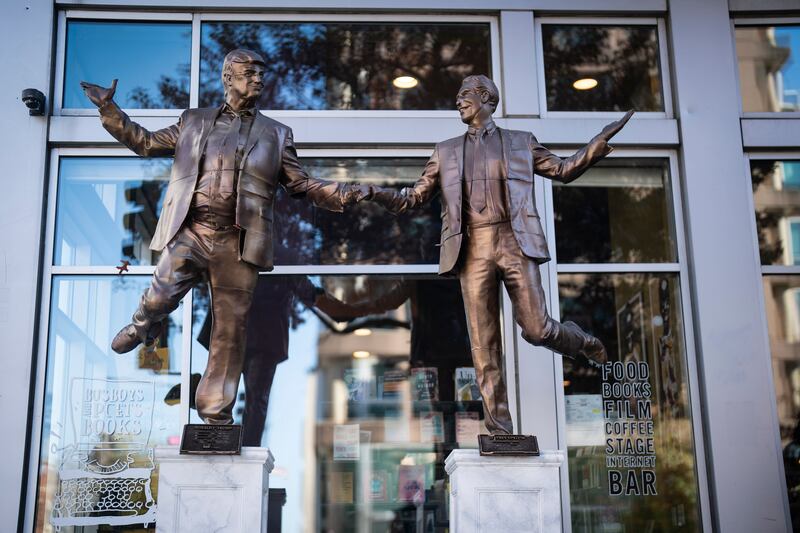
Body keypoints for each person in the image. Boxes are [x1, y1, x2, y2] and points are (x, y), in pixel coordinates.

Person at [80, 49, 368, 424]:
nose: (259, 79)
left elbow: (301, 185)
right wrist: (110, 110)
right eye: (250, 72)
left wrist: (340, 194)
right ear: (228, 77)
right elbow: (145, 142)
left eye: (262, 74)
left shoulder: (277, 134)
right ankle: (142, 323)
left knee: (230, 332)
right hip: (193, 229)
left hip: (238, 242)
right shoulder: (193, 121)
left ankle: (215, 414)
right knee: (161, 293)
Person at [368, 75, 633, 435]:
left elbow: (563, 169)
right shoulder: (445, 151)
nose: (458, 102)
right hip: (472, 247)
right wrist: (374, 193)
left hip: (513, 240)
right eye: (458, 96)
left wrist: (597, 144)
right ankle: (500, 430)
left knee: (538, 330)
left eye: (465, 96)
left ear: (487, 100)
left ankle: (581, 341)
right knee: (483, 346)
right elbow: (413, 197)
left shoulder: (521, 142)